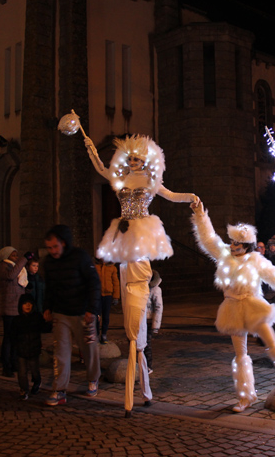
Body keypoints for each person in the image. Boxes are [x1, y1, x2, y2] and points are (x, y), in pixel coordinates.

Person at [84, 134, 197, 416]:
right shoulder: (122, 180)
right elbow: (101, 169)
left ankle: (138, 379)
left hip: (140, 240)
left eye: (137, 159)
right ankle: (143, 384)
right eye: (130, 159)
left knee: (136, 316)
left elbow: (170, 195)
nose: (133, 163)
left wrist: (192, 199)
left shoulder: (149, 182)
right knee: (129, 316)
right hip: (124, 243)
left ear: (145, 161)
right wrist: (88, 146)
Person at [190, 200, 275, 413]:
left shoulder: (256, 260)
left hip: (253, 305)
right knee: (240, 354)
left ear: (247, 245)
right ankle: (246, 396)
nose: (232, 246)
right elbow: (208, 238)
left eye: (237, 243)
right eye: (231, 242)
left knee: (272, 343)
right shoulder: (224, 255)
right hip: (232, 307)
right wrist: (200, 214)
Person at [42, 225, 101, 406]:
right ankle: (59, 390)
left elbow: (94, 283)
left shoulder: (80, 257)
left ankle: (93, 379)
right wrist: (47, 308)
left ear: (64, 243)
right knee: (61, 352)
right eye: (49, 248)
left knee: (89, 349)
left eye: (55, 247)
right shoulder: (49, 263)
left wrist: (92, 309)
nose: (52, 251)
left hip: (83, 313)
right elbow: (49, 288)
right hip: (61, 313)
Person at [0, 246, 30, 377]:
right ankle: (6, 365)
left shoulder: (14, 267)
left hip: (17, 308)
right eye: (13, 255)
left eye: (17, 255)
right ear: (6, 256)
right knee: (9, 338)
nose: (16, 257)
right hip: (9, 308)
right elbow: (11, 276)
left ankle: (14, 362)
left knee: (16, 338)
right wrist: (23, 260)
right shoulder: (3, 267)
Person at [11, 294, 48, 400]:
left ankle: (37, 383)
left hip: (34, 349)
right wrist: (15, 348)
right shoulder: (17, 320)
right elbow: (13, 335)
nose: (28, 306)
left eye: (30, 303)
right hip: (21, 350)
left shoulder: (37, 317)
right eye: (25, 304)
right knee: (22, 373)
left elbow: (44, 328)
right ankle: (24, 389)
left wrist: (48, 321)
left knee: (34, 370)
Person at [95, 259, 120, 344]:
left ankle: (104, 334)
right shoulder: (95, 266)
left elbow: (115, 282)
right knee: (97, 316)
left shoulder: (112, 268)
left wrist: (116, 296)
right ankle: (97, 334)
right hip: (97, 295)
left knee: (106, 316)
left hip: (108, 295)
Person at [142, 270, 163, 373]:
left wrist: (155, 325)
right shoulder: (142, 288)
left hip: (149, 320)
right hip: (141, 318)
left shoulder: (156, 290)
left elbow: (158, 308)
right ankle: (141, 364)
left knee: (147, 344)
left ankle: (148, 366)